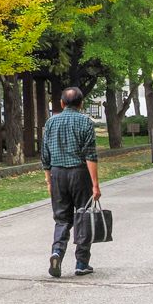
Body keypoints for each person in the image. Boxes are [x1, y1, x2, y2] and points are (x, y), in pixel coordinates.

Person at [41, 86, 101, 278]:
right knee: (83, 216)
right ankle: (82, 262)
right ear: (81, 103)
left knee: (61, 218)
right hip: (79, 172)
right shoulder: (85, 122)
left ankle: (57, 251)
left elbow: (45, 155)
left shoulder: (51, 122)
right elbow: (90, 155)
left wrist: (48, 180)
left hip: (58, 173)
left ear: (61, 103)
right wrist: (95, 185)